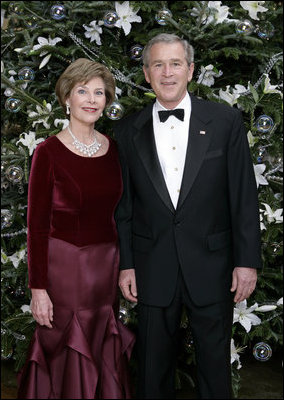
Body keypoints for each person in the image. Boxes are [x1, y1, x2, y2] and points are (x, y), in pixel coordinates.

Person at [114, 33, 262, 399]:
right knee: (152, 370)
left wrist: (247, 262)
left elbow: (243, 195)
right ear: (146, 74)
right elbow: (124, 207)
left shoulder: (225, 121)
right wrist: (127, 264)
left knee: (214, 369)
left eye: (175, 63)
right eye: (158, 65)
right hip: (151, 265)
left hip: (213, 264)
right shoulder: (125, 131)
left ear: (190, 70)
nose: (167, 73)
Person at [18, 58, 135, 399]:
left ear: (106, 101)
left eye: (99, 92)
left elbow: (122, 214)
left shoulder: (114, 150)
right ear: (67, 97)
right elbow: (36, 227)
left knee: (101, 340)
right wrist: (38, 290)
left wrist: (125, 265)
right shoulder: (47, 152)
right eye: (83, 91)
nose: (91, 99)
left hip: (105, 269)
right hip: (65, 270)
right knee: (68, 344)